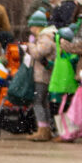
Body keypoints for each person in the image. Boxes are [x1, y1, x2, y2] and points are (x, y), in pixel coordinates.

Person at [25, 11, 56, 142]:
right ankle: (46, 129)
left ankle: (43, 130)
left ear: (37, 26)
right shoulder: (49, 35)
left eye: (32, 26)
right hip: (44, 75)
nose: (31, 30)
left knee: (38, 101)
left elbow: (39, 53)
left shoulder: (45, 37)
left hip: (42, 76)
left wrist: (30, 46)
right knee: (43, 102)